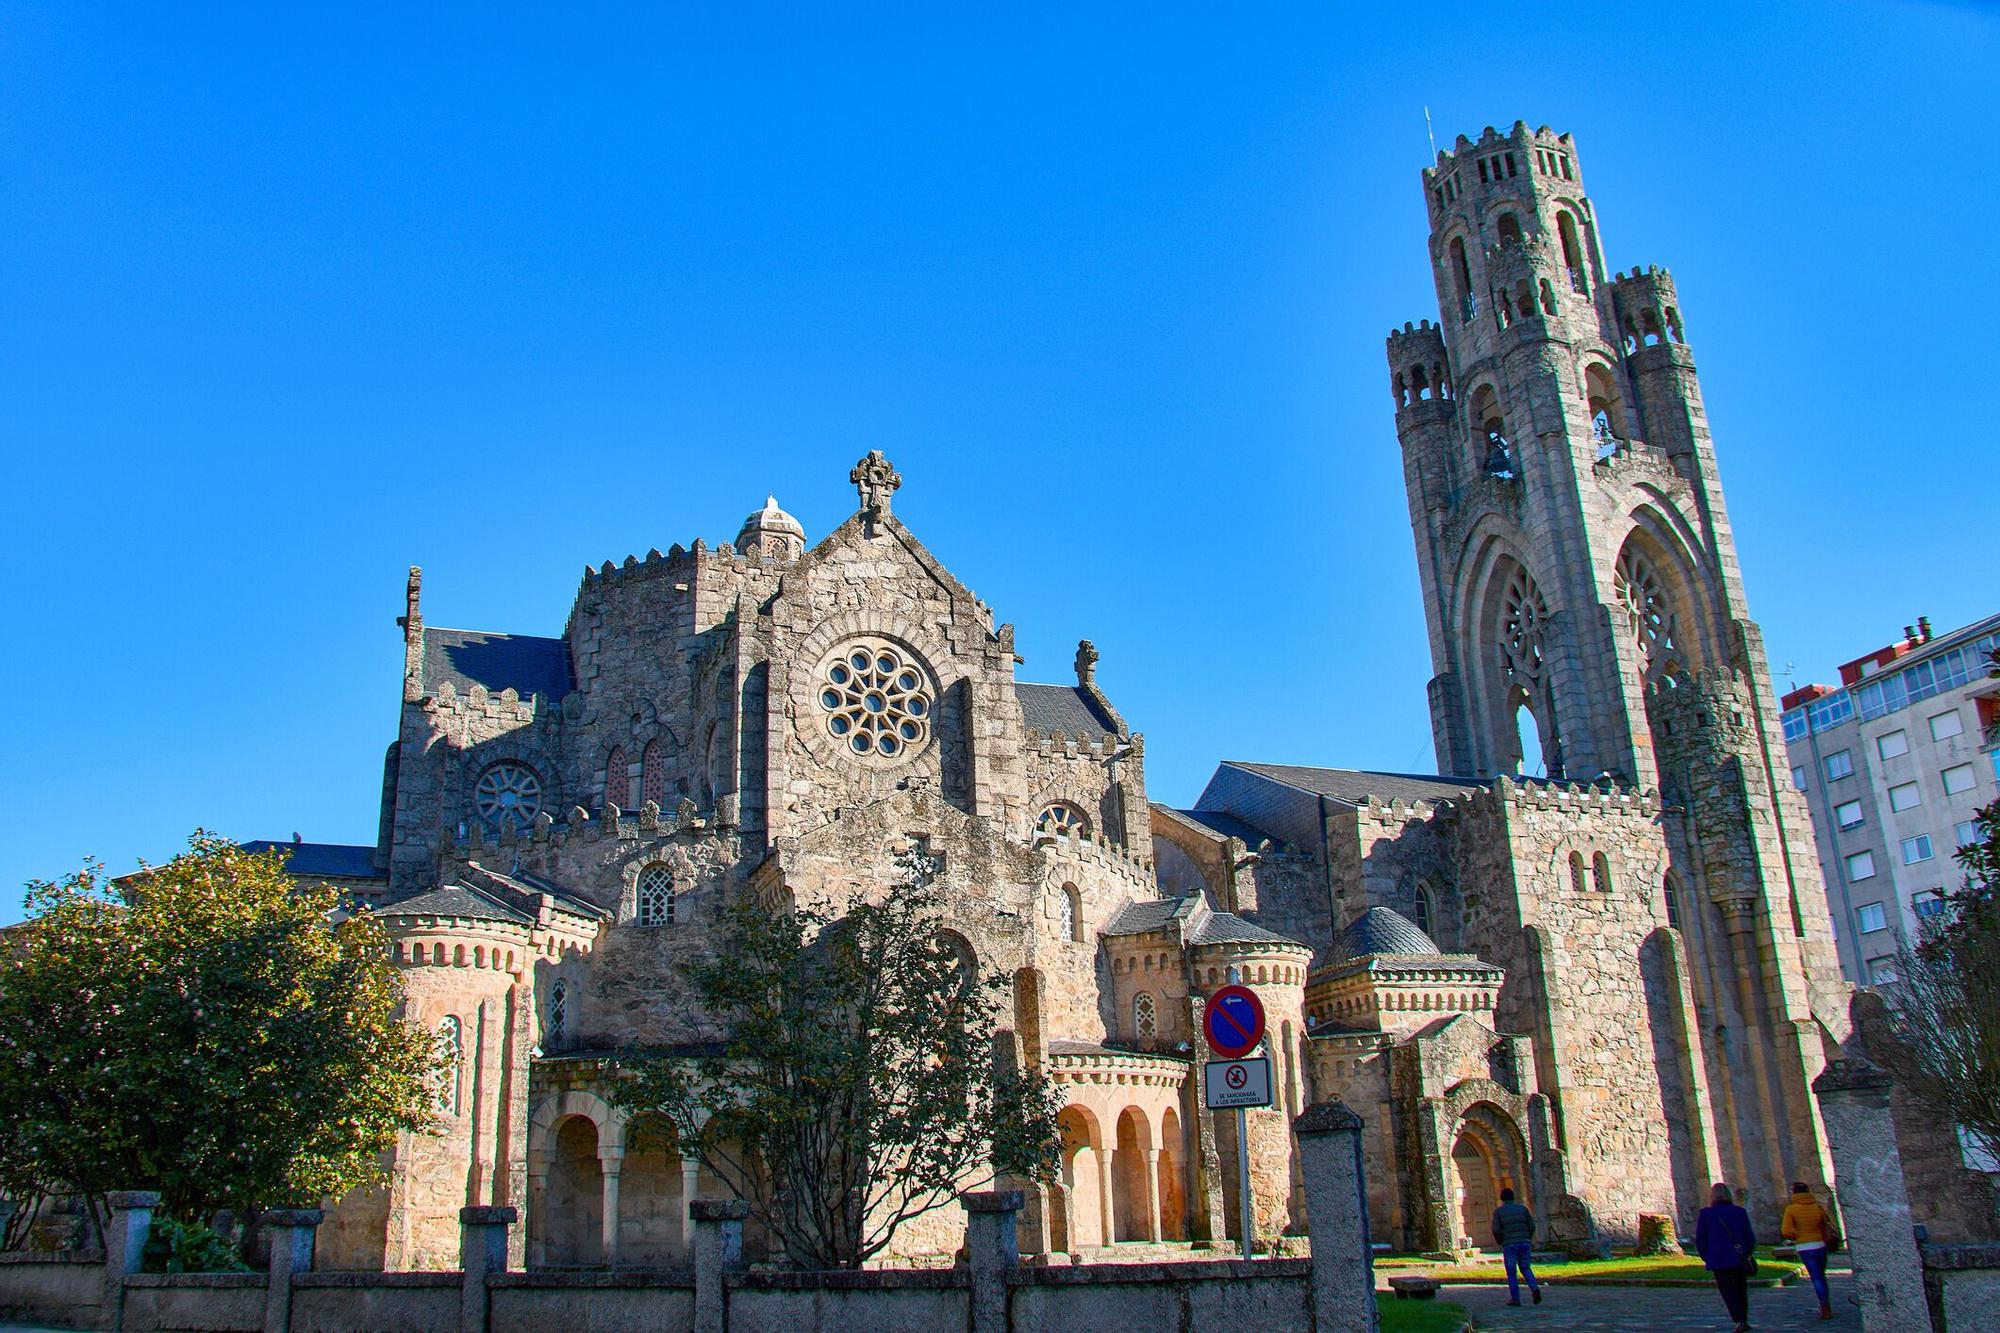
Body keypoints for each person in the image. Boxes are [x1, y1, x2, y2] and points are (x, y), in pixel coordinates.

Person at [1695, 1182, 1758, 1333]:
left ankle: (1738, 1319)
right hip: (1738, 1257)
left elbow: (1701, 1239)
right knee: (1741, 1289)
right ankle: (1744, 1318)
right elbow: (1749, 1236)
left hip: (1718, 1259)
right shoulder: (1739, 1212)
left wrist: (1706, 1256)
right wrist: (1747, 1253)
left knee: (1727, 1291)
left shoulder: (1706, 1214)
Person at [1782, 1180, 1837, 1320]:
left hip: (1805, 1247)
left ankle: (1824, 1306)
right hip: (1820, 1245)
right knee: (1821, 1276)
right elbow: (1825, 1223)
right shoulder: (1816, 1207)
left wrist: (1798, 1234)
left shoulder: (1791, 1209)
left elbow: (1786, 1231)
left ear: (1794, 1193)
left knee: (1816, 1277)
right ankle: (1826, 1304)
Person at [1490, 1187, 1542, 1307]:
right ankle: (1534, 1288)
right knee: (1526, 1268)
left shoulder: (1499, 1212)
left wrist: (1501, 1241)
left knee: (1511, 1272)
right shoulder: (1522, 1209)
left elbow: (1496, 1230)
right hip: (1524, 1242)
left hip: (1509, 1244)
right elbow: (1532, 1226)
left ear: (1502, 1198)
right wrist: (1527, 1237)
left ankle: (1515, 1298)